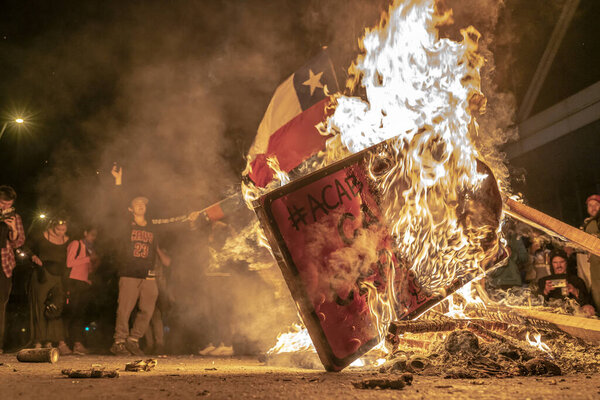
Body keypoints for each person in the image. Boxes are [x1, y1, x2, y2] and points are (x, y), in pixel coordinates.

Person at [109, 165, 170, 356]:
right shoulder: (126, 224)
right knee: (124, 310)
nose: (141, 205)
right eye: (137, 204)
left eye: (143, 204)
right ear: (130, 209)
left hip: (149, 274)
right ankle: (119, 342)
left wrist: (191, 217)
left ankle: (133, 340)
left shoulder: (152, 226)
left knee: (148, 310)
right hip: (129, 272)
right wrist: (118, 181)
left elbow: (172, 222)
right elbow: (117, 205)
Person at [29, 218, 72, 354]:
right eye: (58, 229)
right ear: (52, 226)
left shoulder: (68, 240)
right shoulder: (41, 236)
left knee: (54, 308)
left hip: (58, 277)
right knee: (39, 306)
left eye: (63, 229)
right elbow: (26, 247)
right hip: (42, 274)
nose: (60, 232)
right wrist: (33, 256)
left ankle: (50, 340)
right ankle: (38, 340)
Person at [65, 226, 99, 355]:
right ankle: (67, 343)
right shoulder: (76, 244)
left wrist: (93, 266)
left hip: (82, 282)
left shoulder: (90, 249)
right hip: (73, 281)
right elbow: (69, 263)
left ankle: (77, 344)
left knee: (80, 314)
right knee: (72, 313)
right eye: (91, 235)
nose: (93, 238)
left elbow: (88, 269)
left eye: (95, 236)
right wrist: (88, 259)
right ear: (85, 232)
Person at [0, 186, 25, 354]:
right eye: (2, 202)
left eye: (8, 204)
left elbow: (18, 242)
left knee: (1, 304)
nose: (5, 206)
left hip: (4, 265)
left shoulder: (14, 217)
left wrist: (13, 229)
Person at [538, 249, 595, 317]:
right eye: (555, 262)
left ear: (566, 263)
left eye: (562, 262)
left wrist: (575, 291)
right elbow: (536, 303)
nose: (559, 265)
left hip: (573, 312)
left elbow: (587, 302)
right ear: (551, 264)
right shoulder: (544, 281)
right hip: (551, 312)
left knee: (589, 309)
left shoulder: (576, 280)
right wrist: (545, 291)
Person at [582, 194, 600, 309]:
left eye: (597, 205)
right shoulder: (589, 223)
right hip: (593, 263)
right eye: (590, 205)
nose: (593, 208)